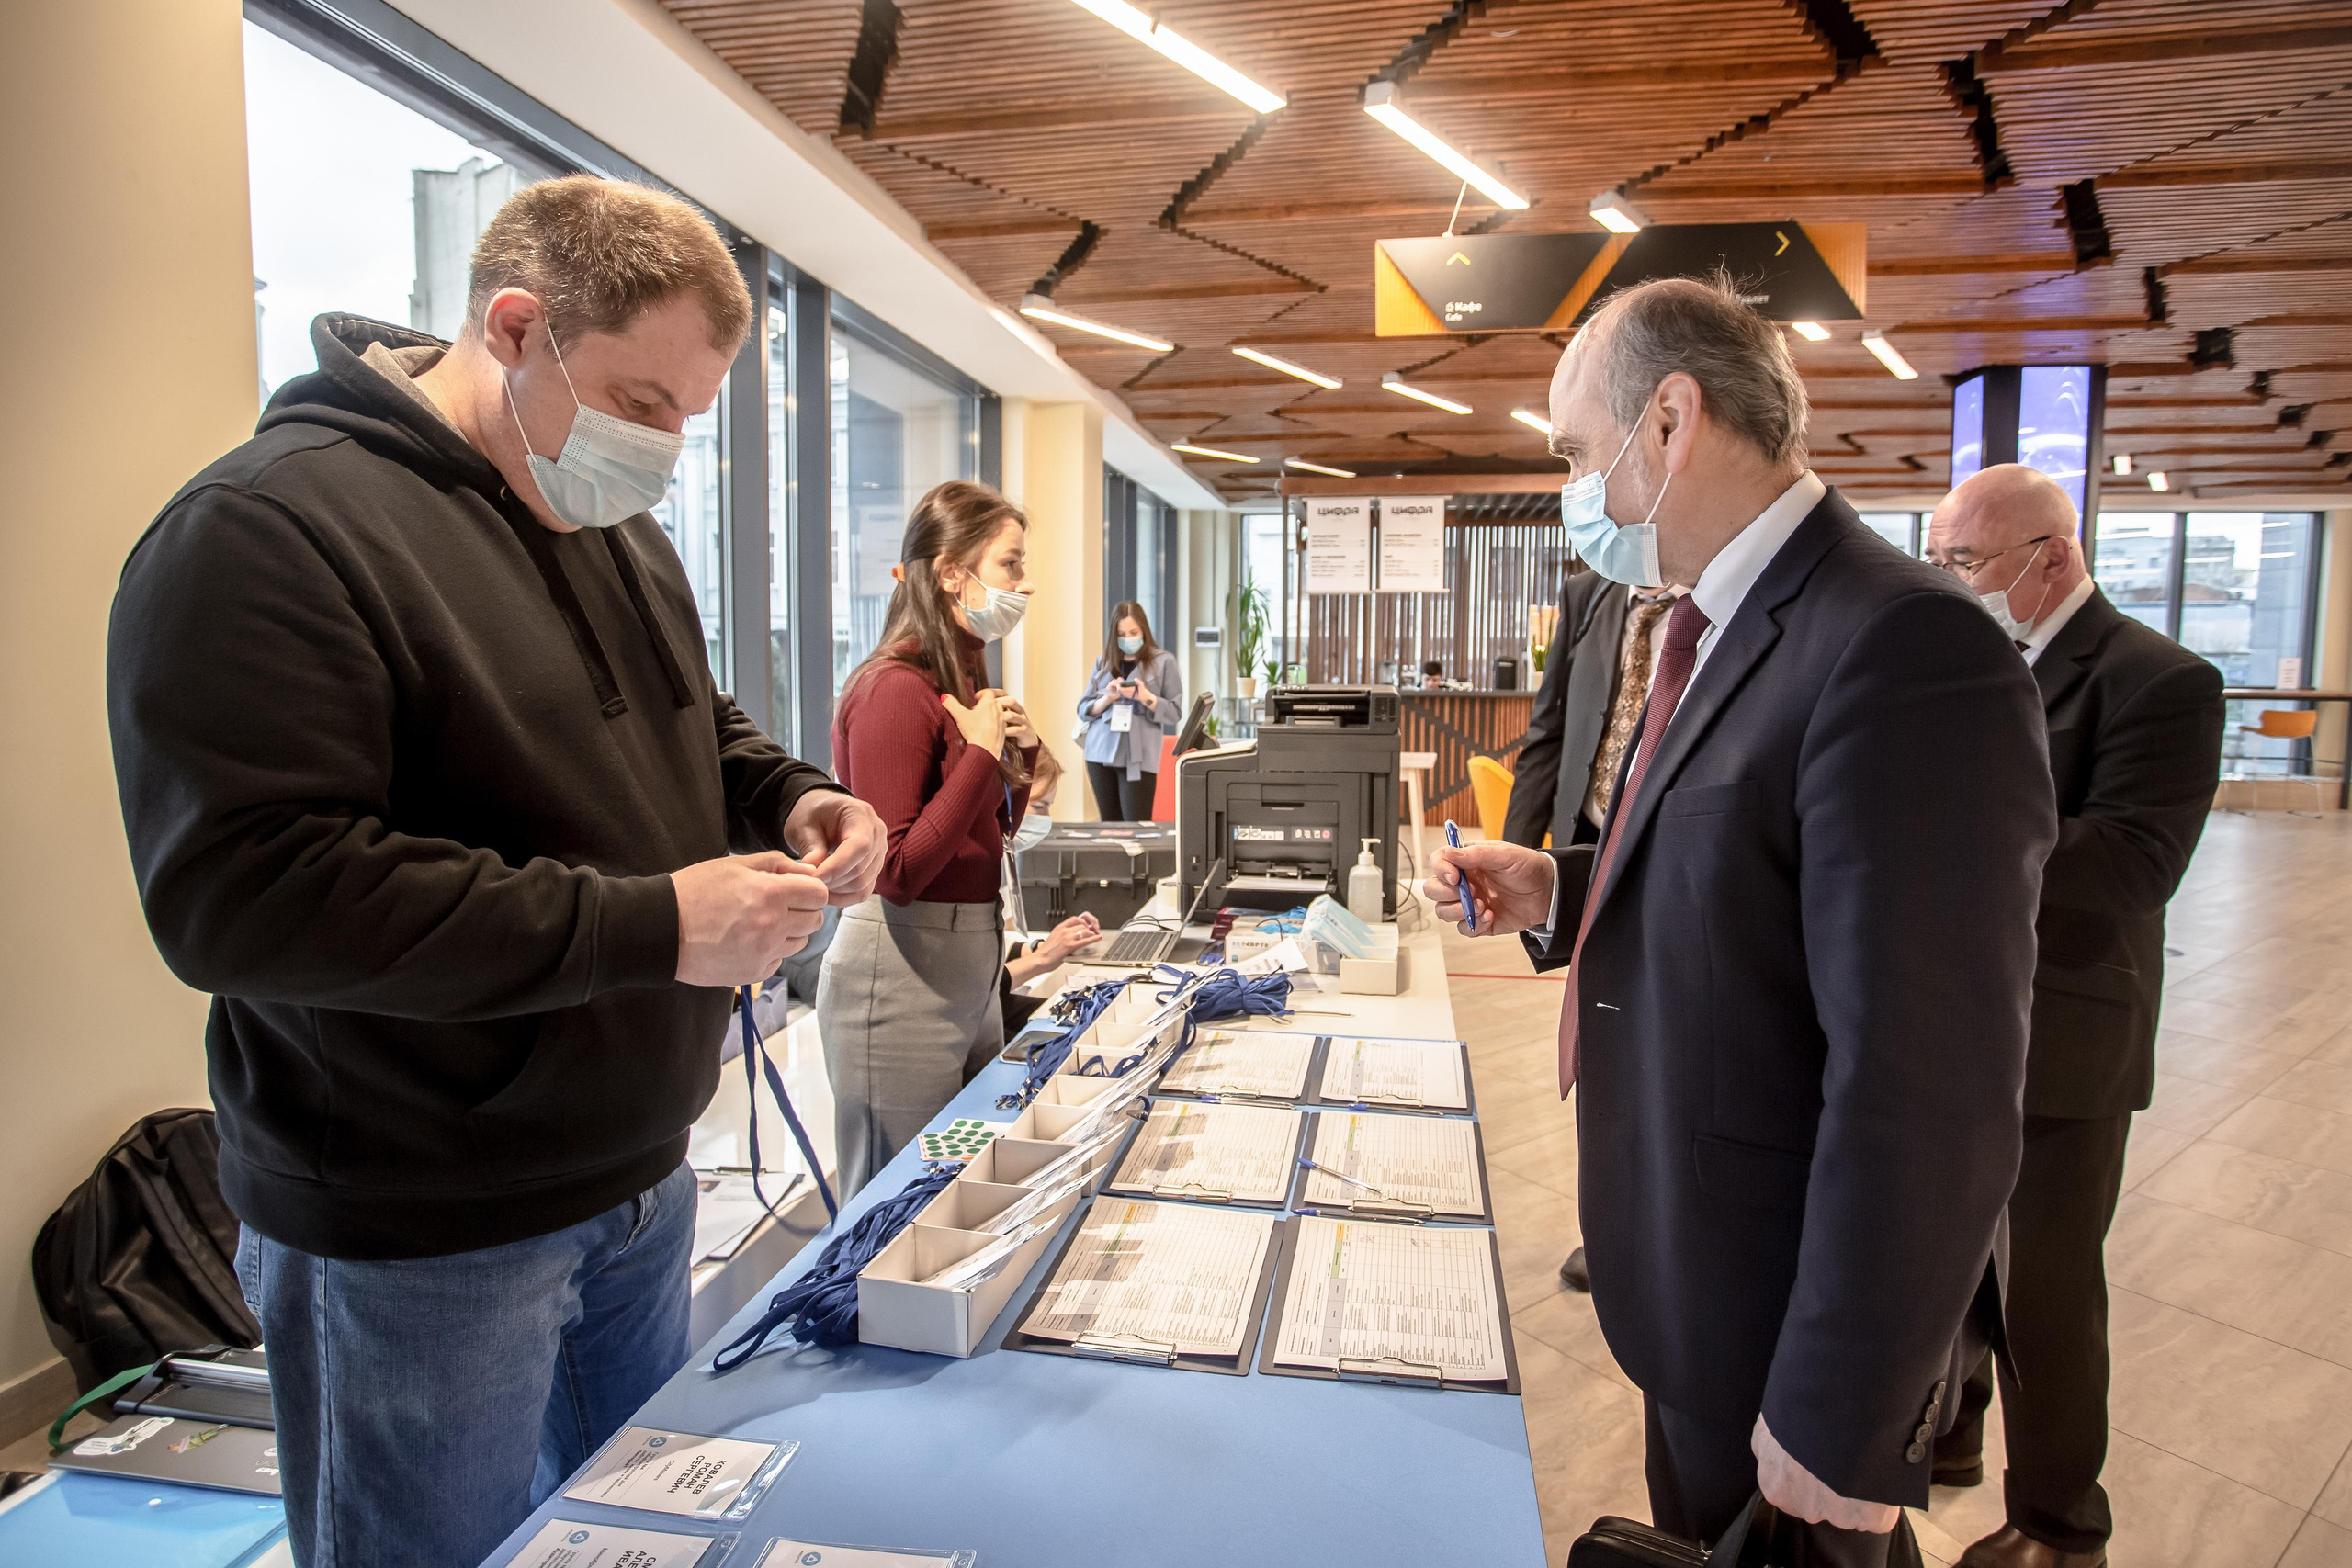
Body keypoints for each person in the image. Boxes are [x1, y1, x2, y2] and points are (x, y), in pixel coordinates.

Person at [107, 176, 885, 1568]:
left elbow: (690, 723)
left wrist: (797, 791)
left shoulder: (615, 528)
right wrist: (648, 927)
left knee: (625, 1541)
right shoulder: (266, 530)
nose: (666, 447)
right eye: (643, 402)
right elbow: (251, 892)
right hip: (423, 1227)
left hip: (642, 1179)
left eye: (690, 415)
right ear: (516, 326)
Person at [1427, 274, 2054, 1565]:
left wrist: (1841, 1408)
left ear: (1670, 422)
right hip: (1701, 1291)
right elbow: (1743, 864)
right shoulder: (1717, 617)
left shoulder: (1902, 642)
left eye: (1578, 451)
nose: (1576, 488)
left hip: (1787, 1325)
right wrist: (1561, 883)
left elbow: (1928, 1084)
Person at [1925, 466, 2224, 1568]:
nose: (1951, 581)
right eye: (1941, 560)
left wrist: (1957, 825)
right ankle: (1946, 1441)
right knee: (1943, 1259)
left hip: (2064, 1041)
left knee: (2044, 1291)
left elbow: (2127, 872)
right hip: (1951, 1022)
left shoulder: (2159, 680)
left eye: (1969, 562)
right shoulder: (1969, 668)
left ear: (2051, 557)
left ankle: (2059, 1526)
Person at [822, 480, 1040, 1198]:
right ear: (952, 572)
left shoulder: (960, 678)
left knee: (959, 1189)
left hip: (967, 960)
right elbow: (901, 870)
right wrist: (980, 754)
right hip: (904, 966)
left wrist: (1018, 760)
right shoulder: (893, 689)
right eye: (1009, 564)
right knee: (896, 1205)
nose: (1023, 582)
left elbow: (984, 838)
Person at [1505, 567, 1686, 1292]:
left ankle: (1663, 1234)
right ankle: (1604, 1229)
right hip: (1589, 840)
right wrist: (1513, 845)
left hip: (1672, 843)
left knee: (1666, 1047)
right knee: (1599, 1041)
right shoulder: (1591, 597)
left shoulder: (1712, 595)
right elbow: (1549, 729)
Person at [999, 746, 1101, 1035]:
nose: (1046, 818)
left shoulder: (1002, 855)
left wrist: (1042, 946)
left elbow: (993, 952)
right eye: (1039, 806)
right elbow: (978, 986)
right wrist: (1040, 960)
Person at [1078, 601, 1183, 819]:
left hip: (1139, 755)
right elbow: (1083, 708)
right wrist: (1108, 698)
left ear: (1143, 630)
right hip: (1100, 753)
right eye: (1122, 634)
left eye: (1133, 632)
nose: (1128, 639)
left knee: (1136, 828)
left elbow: (1174, 712)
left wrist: (1145, 697)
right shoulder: (1104, 662)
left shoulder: (1164, 662)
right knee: (1109, 827)